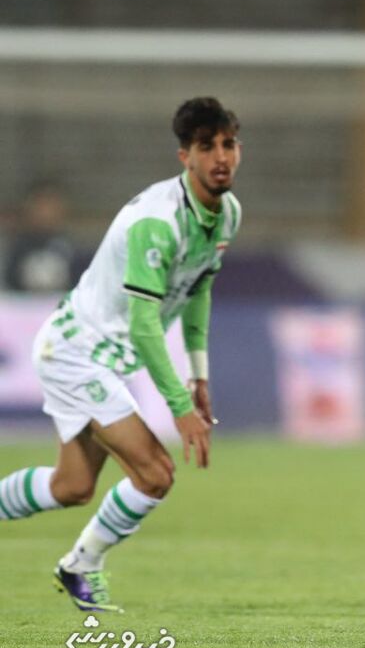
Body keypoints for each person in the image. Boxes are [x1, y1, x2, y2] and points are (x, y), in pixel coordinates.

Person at [0, 97, 242, 612]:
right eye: (207, 146)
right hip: (76, 353)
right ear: (185, 156)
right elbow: (143, 323)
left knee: (71, 486)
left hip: (99, 356)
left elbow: (198, 290)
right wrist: (179, 406)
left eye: (229, 144)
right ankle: (81, 565)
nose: (221, 156)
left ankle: (78, 564)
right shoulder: (159, 222)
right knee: (155, 473)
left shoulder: (227, 215)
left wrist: (199, 375)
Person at [3, 181, 78, 293]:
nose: (46, 212)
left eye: (51, 205)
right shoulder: (16, 248)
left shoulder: (71, 248)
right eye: (42, 205)